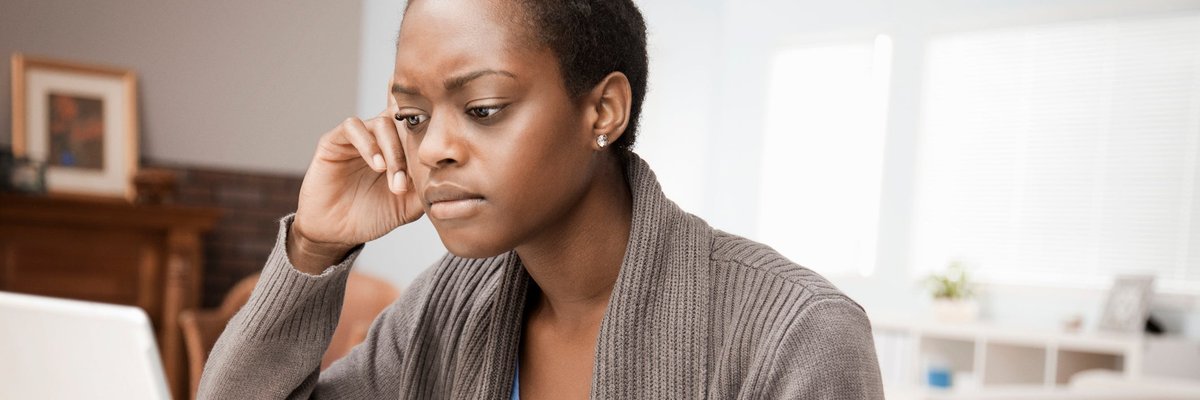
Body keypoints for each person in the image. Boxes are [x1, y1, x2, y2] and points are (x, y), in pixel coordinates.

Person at [198, 0, 884, 398]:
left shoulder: (798, 335)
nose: (434, 146)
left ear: (603, 111)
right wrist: (315, 247)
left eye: (485, 108)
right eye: (411, 116)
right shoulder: (443, 308)